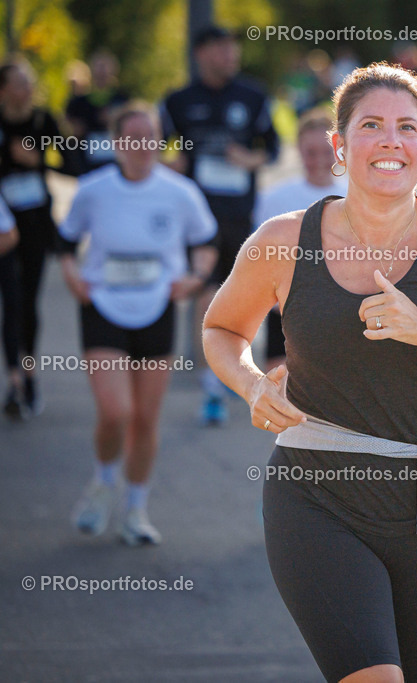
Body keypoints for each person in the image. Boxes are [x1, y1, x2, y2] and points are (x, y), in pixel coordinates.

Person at [203, 63, 417, 682]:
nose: (391, 140)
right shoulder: (283, 240)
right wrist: (251, 382)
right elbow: (221, 329)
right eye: (371, 126)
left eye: (408, 128)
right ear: (338, 146)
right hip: (316, 497)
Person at [59, 103, 217, 545]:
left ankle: (136, 511)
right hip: (103, 306)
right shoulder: (93, 189)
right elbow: (66, 241)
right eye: (131, 137)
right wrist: (72, 276)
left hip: (157, 308)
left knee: (146, 419)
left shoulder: (179, 191)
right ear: (115, 143)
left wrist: (196, 278)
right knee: (116, 411)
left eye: (149, 136)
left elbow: (206, 242)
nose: (142, 145)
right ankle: (103, 482)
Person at [160, 24, 279, 425]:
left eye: (234, 50)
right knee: (204, 295)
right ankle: (212, 385)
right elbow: (155, 151)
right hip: (197, 219)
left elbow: (273, 148)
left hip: (241, 216)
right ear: (202, 54)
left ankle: (234, 370)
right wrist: (172, 166)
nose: (231, 56)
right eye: (222, 50)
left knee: (243, 300)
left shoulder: (252, 95)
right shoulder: (178, 101)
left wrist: (250, 159)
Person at [0, 60, 81, 418]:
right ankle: (13, 380)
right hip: (0, 225)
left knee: (28, 303)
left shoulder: (44, 121)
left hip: (35, 226)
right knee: (10, 301)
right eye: (16, 83)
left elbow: (74, 166)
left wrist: (38, 164)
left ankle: (29, 376)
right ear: (0, 90)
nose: (24, 89)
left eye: (28, 82)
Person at [253, 110, 345, 371]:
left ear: (339, 149)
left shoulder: (355, 194)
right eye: (310, 152)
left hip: (341, 313)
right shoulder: (274, 198)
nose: (318, 160)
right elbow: (258, 257)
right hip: (285, 312)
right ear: (298, 150)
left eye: (326, 152)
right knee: (282, 394)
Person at [65, 50, 129, 174]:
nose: (102, 72)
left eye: (105, 68)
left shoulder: (122, 99)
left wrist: (115, 120)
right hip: (87, 162)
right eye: (98, 67)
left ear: (114, 71)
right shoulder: (78, 102)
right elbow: (68, 127)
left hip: (116, 161)